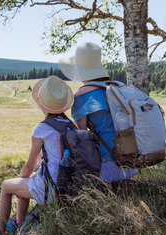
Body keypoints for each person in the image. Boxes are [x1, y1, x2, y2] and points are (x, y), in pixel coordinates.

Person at [0, 75, 75, 235]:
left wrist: (21, 178)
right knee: (27, 181)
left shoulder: (43, 128)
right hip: (69, 186)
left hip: (51, 189)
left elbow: (30, 165)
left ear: (42, 104)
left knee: (7, 186)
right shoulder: (71, 125)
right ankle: (19, 224)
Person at [59, 42, 137, 183]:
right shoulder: (115, 88)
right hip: (131, 163)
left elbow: (81, 137)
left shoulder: (81, 95)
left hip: (108, 167)